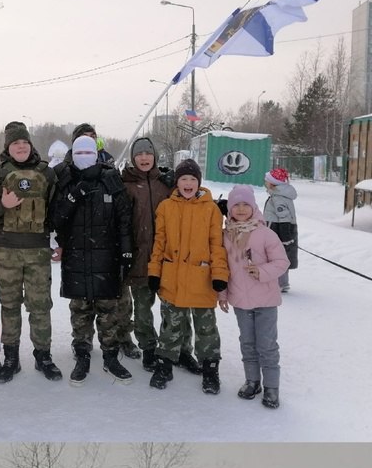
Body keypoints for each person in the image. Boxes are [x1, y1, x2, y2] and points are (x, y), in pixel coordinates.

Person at [0, 122, 57, 383]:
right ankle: (11, 358)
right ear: (8, 148)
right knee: (9, 306)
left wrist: (59, 240)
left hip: (38, 252)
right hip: (5, 251)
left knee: (40, 306)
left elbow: (57, 212)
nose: (21, 146)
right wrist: (2, 204)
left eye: (24, 142)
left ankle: (43, 355)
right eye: (15, 143)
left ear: (30, 146)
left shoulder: (47, 173)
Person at [51, 134, 134, 385]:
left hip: (106, 257)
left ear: (96, 154)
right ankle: (82, 353)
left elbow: (124, 219)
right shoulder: (64, 179)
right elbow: (55, 219)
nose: (84, 157)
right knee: (80, 310)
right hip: (76, 256)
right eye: (79, 153)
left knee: (108, 311)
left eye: (89, 153)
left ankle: (110, 355)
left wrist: (126, 252)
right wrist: (73, 196)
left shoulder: (110, 179)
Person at [146, 158, 228, 393]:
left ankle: (210, 370)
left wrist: (219, 274)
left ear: (199, 182)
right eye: (184, 179)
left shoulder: (211, 209)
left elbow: (217, 245)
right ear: (177, 183)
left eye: (193, 179)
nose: (188, 183)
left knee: (206, 328)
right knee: (170, 326)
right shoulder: (165, 207)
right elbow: (159, 243)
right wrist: (154, 271)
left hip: (202, 279)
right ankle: (165, 366)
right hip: (173, 278)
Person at [217, 183, 289, 409]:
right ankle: (252, 381)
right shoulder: (226, 235)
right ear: (229, 208)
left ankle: (271, 387)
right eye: (235, 205)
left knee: (266, 345)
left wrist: (262, 271)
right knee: (247, 343)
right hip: (240, 300)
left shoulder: (265, 233)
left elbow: (282, 262)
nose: (240, 209)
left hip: (265, 301)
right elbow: (222, 268)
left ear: (253, 207)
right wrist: (222, 294)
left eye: (245, 204)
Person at [119, 136, 175, 369]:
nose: (144, 158)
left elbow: (190, 196)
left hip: (167, 257)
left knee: (173, 307)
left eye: (148, 154)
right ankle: (149, 347)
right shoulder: (125, 184)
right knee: (143, 308)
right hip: (140, 256)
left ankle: (174, 348)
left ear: (155, 157)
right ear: (133, 158)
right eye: (139, 154)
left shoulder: (166, 183)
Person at [262, 167, 298, 293]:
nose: (265, 183)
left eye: (266, 181)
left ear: (272, 184)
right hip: (277, 230)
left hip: (278, 231)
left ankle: (281, 283)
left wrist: (285, 238)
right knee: (280, 257)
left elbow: (284, 218)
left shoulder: (278, 198)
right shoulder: (279, 195)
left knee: (276, 257)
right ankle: (281, 282)